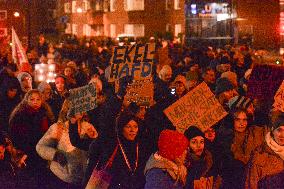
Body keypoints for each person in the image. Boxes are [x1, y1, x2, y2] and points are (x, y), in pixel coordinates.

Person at [36, 100, 98, 188]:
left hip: (82, 179)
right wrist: (55, 154)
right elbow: (40, 146)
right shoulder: (58, 128)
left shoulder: (89, 127)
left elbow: (96, 148)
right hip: (61, 177)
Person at [83, 112, 151, 189]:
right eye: (128, 126)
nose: (132, 130)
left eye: (135, 127)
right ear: (121, 128)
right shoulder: (112, 145)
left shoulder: (140, 146)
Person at [216, 108, 267, 189]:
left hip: (255, 175)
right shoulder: (226, 137)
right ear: (232, 121)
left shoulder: (254, 132)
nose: (242, 123)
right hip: (235, 178)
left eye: (244, 120)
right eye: (238, 120)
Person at [9, 89, 51, 188]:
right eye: (32, 99)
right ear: (26, 100)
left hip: (41, 152)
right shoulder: (20, 115)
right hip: (27, 154)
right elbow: (21, 137)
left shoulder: (44, 114)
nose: (35, 102)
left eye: (38, 99)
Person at [245, 113, 284, 189]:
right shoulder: (259, 156)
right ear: (272, 130)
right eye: (279, 130)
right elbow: (251, 185)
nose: (282, 135)